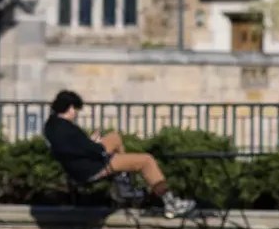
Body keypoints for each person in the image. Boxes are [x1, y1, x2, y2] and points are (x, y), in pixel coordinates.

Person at [42, 91, 195, 218]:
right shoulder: (68, 129)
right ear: (70, 108)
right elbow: (91, 150)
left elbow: (74, 147)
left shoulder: (51, 126)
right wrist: (96, 145)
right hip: (92, 166)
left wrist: (92, 143)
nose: (75, 114)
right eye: (75, 110)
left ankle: (123, 180)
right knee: (146, 160)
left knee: (114, 137)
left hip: (81, 164)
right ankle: (170, 203)